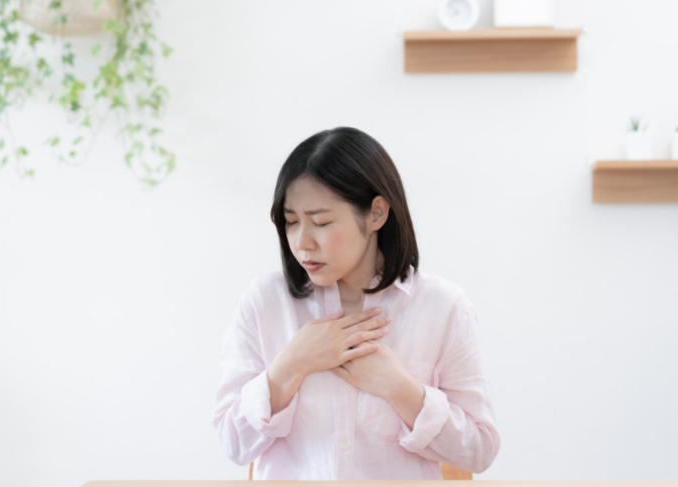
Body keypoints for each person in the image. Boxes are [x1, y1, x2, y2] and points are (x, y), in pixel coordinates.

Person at [212, 127, 500, 480]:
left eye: (321, 222)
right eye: (291, 222)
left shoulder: (443, 307)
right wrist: (290, 365)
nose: (301, 242)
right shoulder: (263, 303)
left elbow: (480, 450)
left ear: (376, 213)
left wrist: (401, 389)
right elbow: (233, 444)